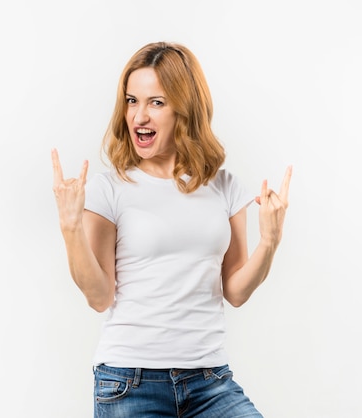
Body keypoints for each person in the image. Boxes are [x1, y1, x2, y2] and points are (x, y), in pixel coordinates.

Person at [51, 41, 292, 417]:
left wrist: (271, 241)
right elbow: (99, 296)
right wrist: (70, 228)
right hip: (129, 382)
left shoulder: (224, 186)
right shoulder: (109, 188)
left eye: (156, 102)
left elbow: (236, 291)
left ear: (185, 108)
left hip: (211, 382)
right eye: (132, 101)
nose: (139, 116)